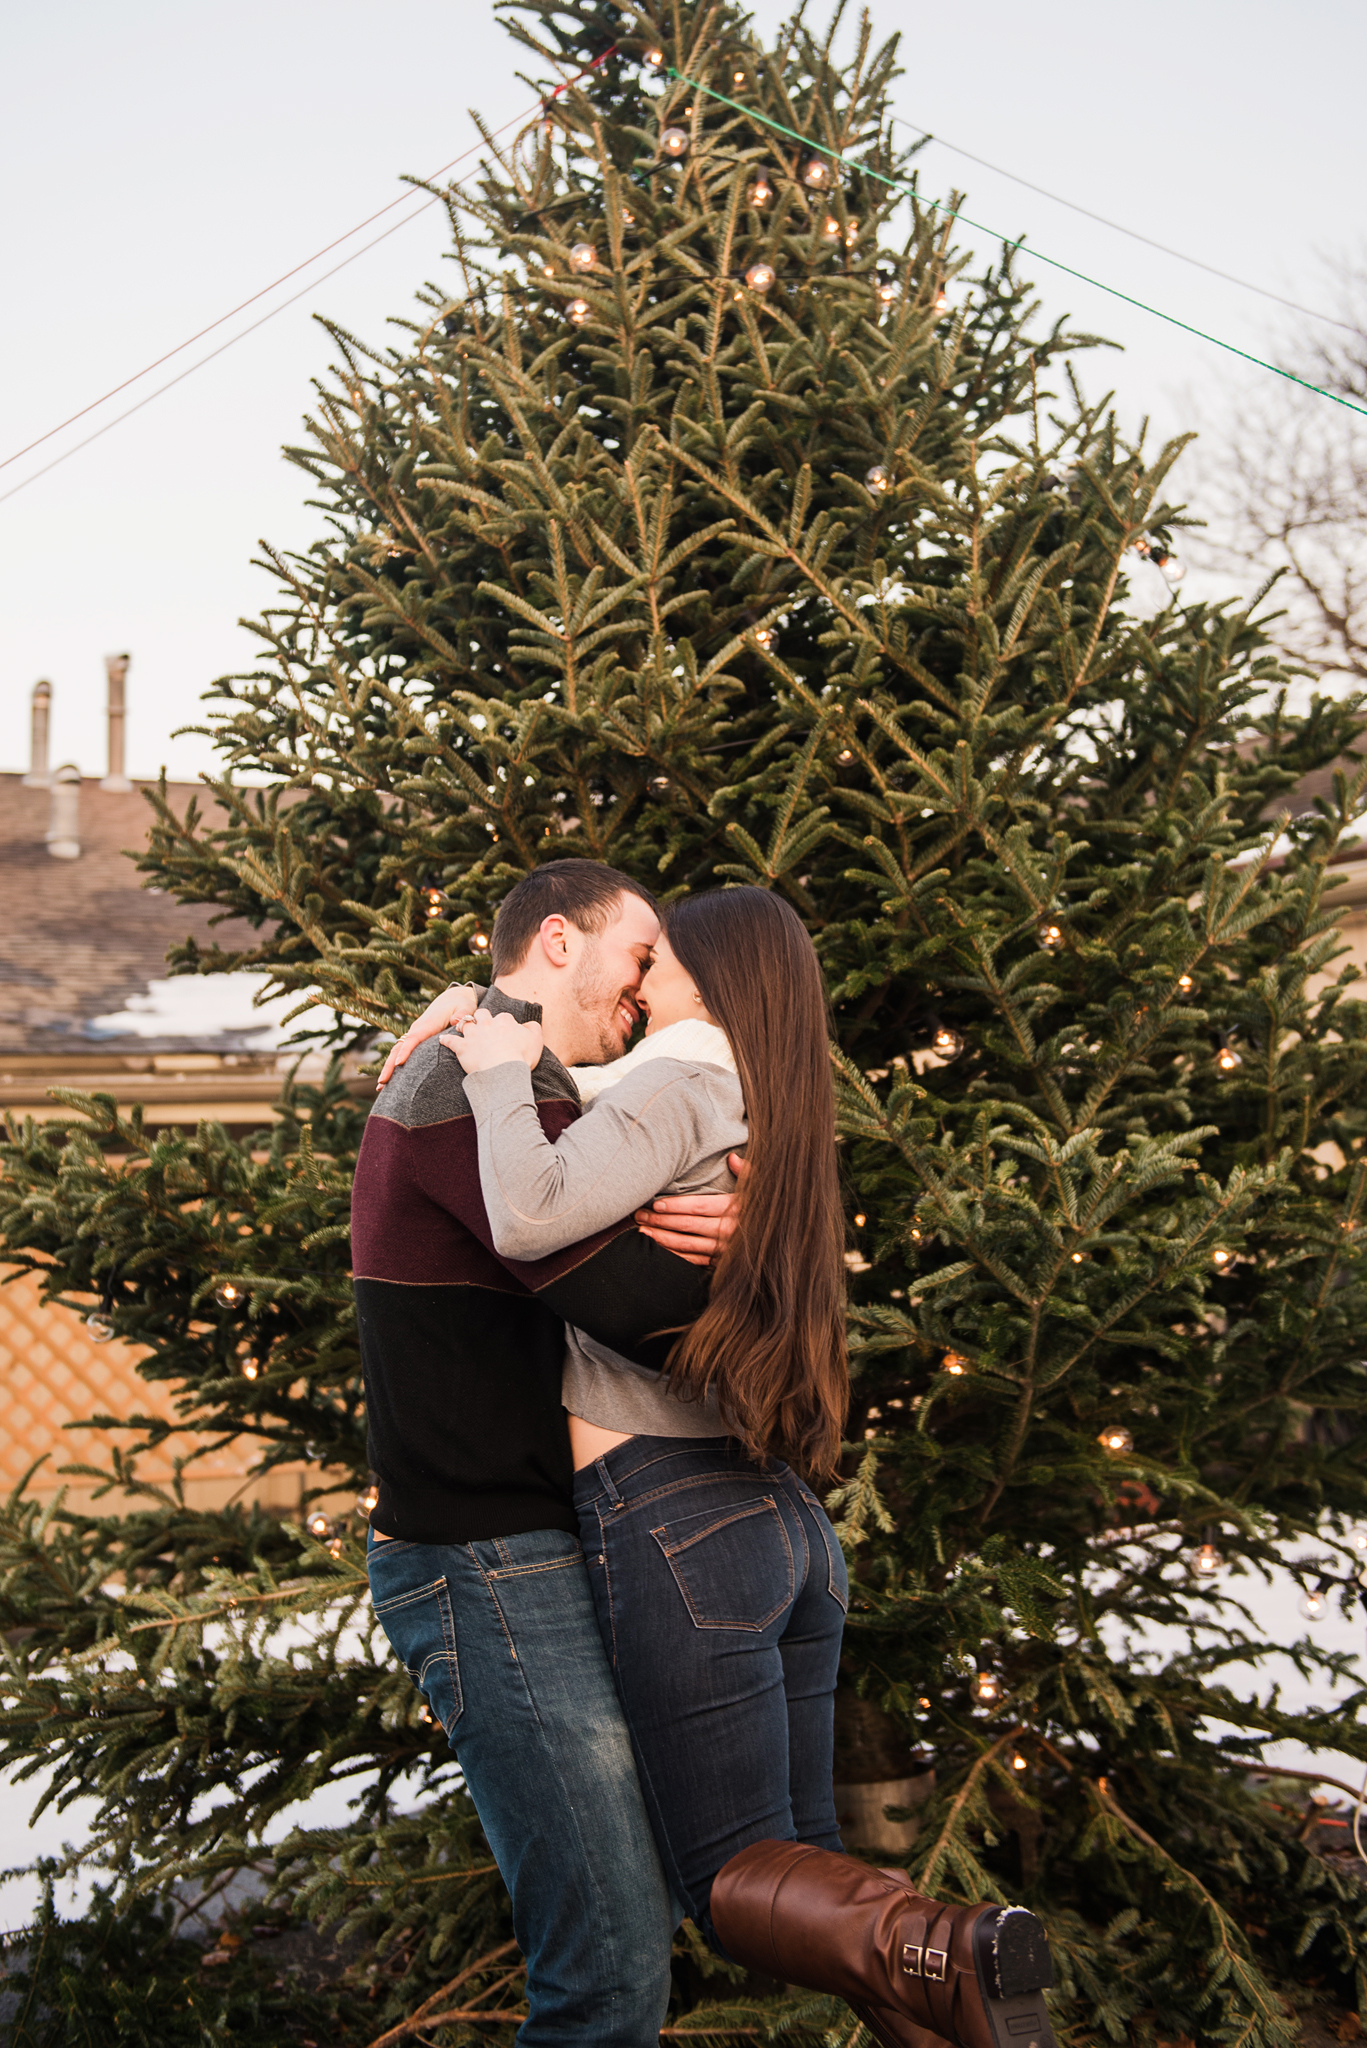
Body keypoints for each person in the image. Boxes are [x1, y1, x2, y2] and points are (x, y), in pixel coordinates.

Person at [435, 885, 1060, 2048]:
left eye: (657, 958)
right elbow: (566, 1081)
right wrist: (490, 1014)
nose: (637, 978)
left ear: (709, 979)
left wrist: (483, 1056)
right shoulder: (763, 1098)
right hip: (777, 1525)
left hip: (671, 1511)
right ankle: (934, 1994)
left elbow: (526, 1204)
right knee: (801, 1878)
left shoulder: (682, 1070)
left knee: (727, 1886)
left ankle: (955, 1948)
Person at [353, 859, 740, 2048]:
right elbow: (649, 1315)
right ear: (560, 942)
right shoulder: (467, 1091)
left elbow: (614, 1141)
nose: (642, 987)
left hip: (523, 1549)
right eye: (637, 956)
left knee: (620, 1956)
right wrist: (752, 1240)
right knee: (609, 1972)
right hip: (482, 1562)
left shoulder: (520, 1081)